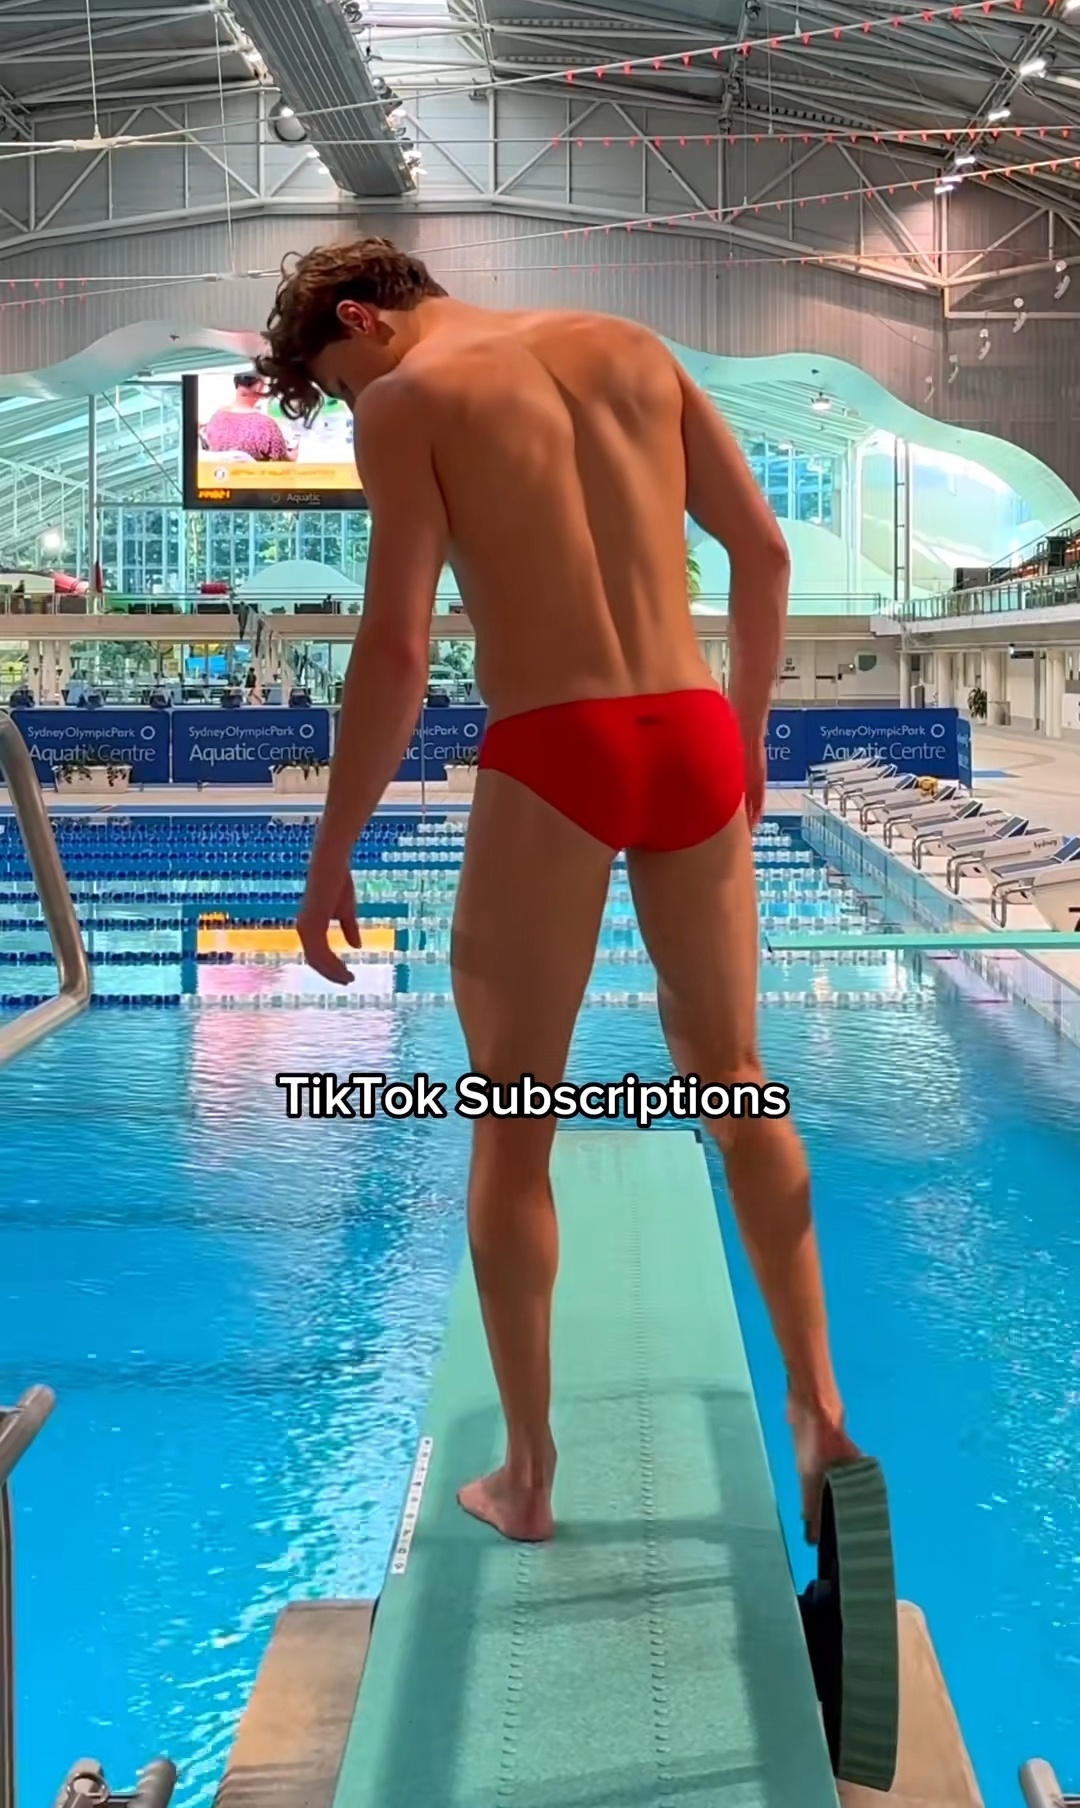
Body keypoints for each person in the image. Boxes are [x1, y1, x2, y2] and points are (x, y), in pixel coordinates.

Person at [257, 235, 859, 1545]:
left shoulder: (413, 402)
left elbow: (397, 646)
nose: (355, 408)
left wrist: (331, 849)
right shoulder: (630, 349)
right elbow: (762, 556)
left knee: (512, 1116)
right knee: (736, 1083)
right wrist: (749, 736)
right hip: (692, 731)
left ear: (363, 318)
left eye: (341, 383)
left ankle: (529, 1478)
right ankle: (819, 1410)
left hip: (555, 746)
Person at [202, 371, 298, 464]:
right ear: (258, 386)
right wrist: (296, 451)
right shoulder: (266, 425)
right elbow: (283, 463)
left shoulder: (217, 417)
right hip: (253, 475)